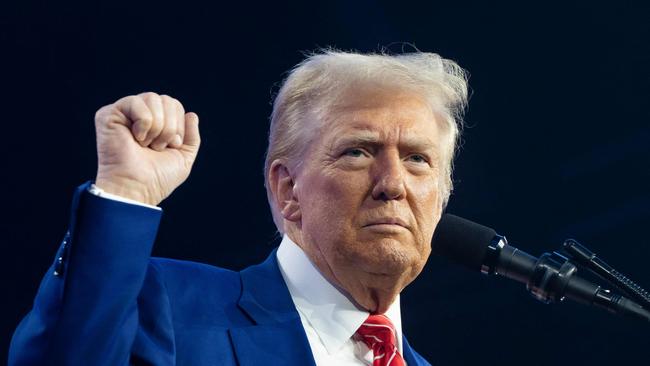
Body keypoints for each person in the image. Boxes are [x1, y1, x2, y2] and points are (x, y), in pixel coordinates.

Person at [9, 49, 468, 365]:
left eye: (417, 160)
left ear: (441, 197)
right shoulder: (166, 307)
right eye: (358, 152)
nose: (392, 184)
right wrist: (125, 191)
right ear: (287, 190)